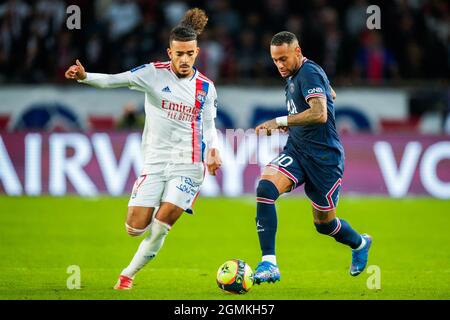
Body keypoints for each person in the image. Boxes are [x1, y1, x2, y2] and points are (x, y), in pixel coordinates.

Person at [65, 8, 222, 290]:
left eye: (190, 54)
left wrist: (214, 150)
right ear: (169, 52)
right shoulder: (152, 74)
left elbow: (209, 126)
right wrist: (85, 76)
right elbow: (115, 79)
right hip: (155, 162)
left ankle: (127, 275)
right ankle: (153, 225)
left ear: (197, 52)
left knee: (162, 224)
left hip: (189, 164)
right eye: (179, 54)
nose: (184, 59)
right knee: (134, 228)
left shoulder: (206, 88)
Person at [253, 31, 372, 284]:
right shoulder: (297, 74)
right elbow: (330, 95)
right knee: (265, 188)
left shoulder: (308, 72)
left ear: (297, 51)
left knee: (324, 225)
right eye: (275, 60)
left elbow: (320, 114)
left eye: (283, 59)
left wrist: (281, 121)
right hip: (296, 151)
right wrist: (296, 124)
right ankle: (269, 263)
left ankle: (360, 243)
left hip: (324, 160)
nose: (280, 65)